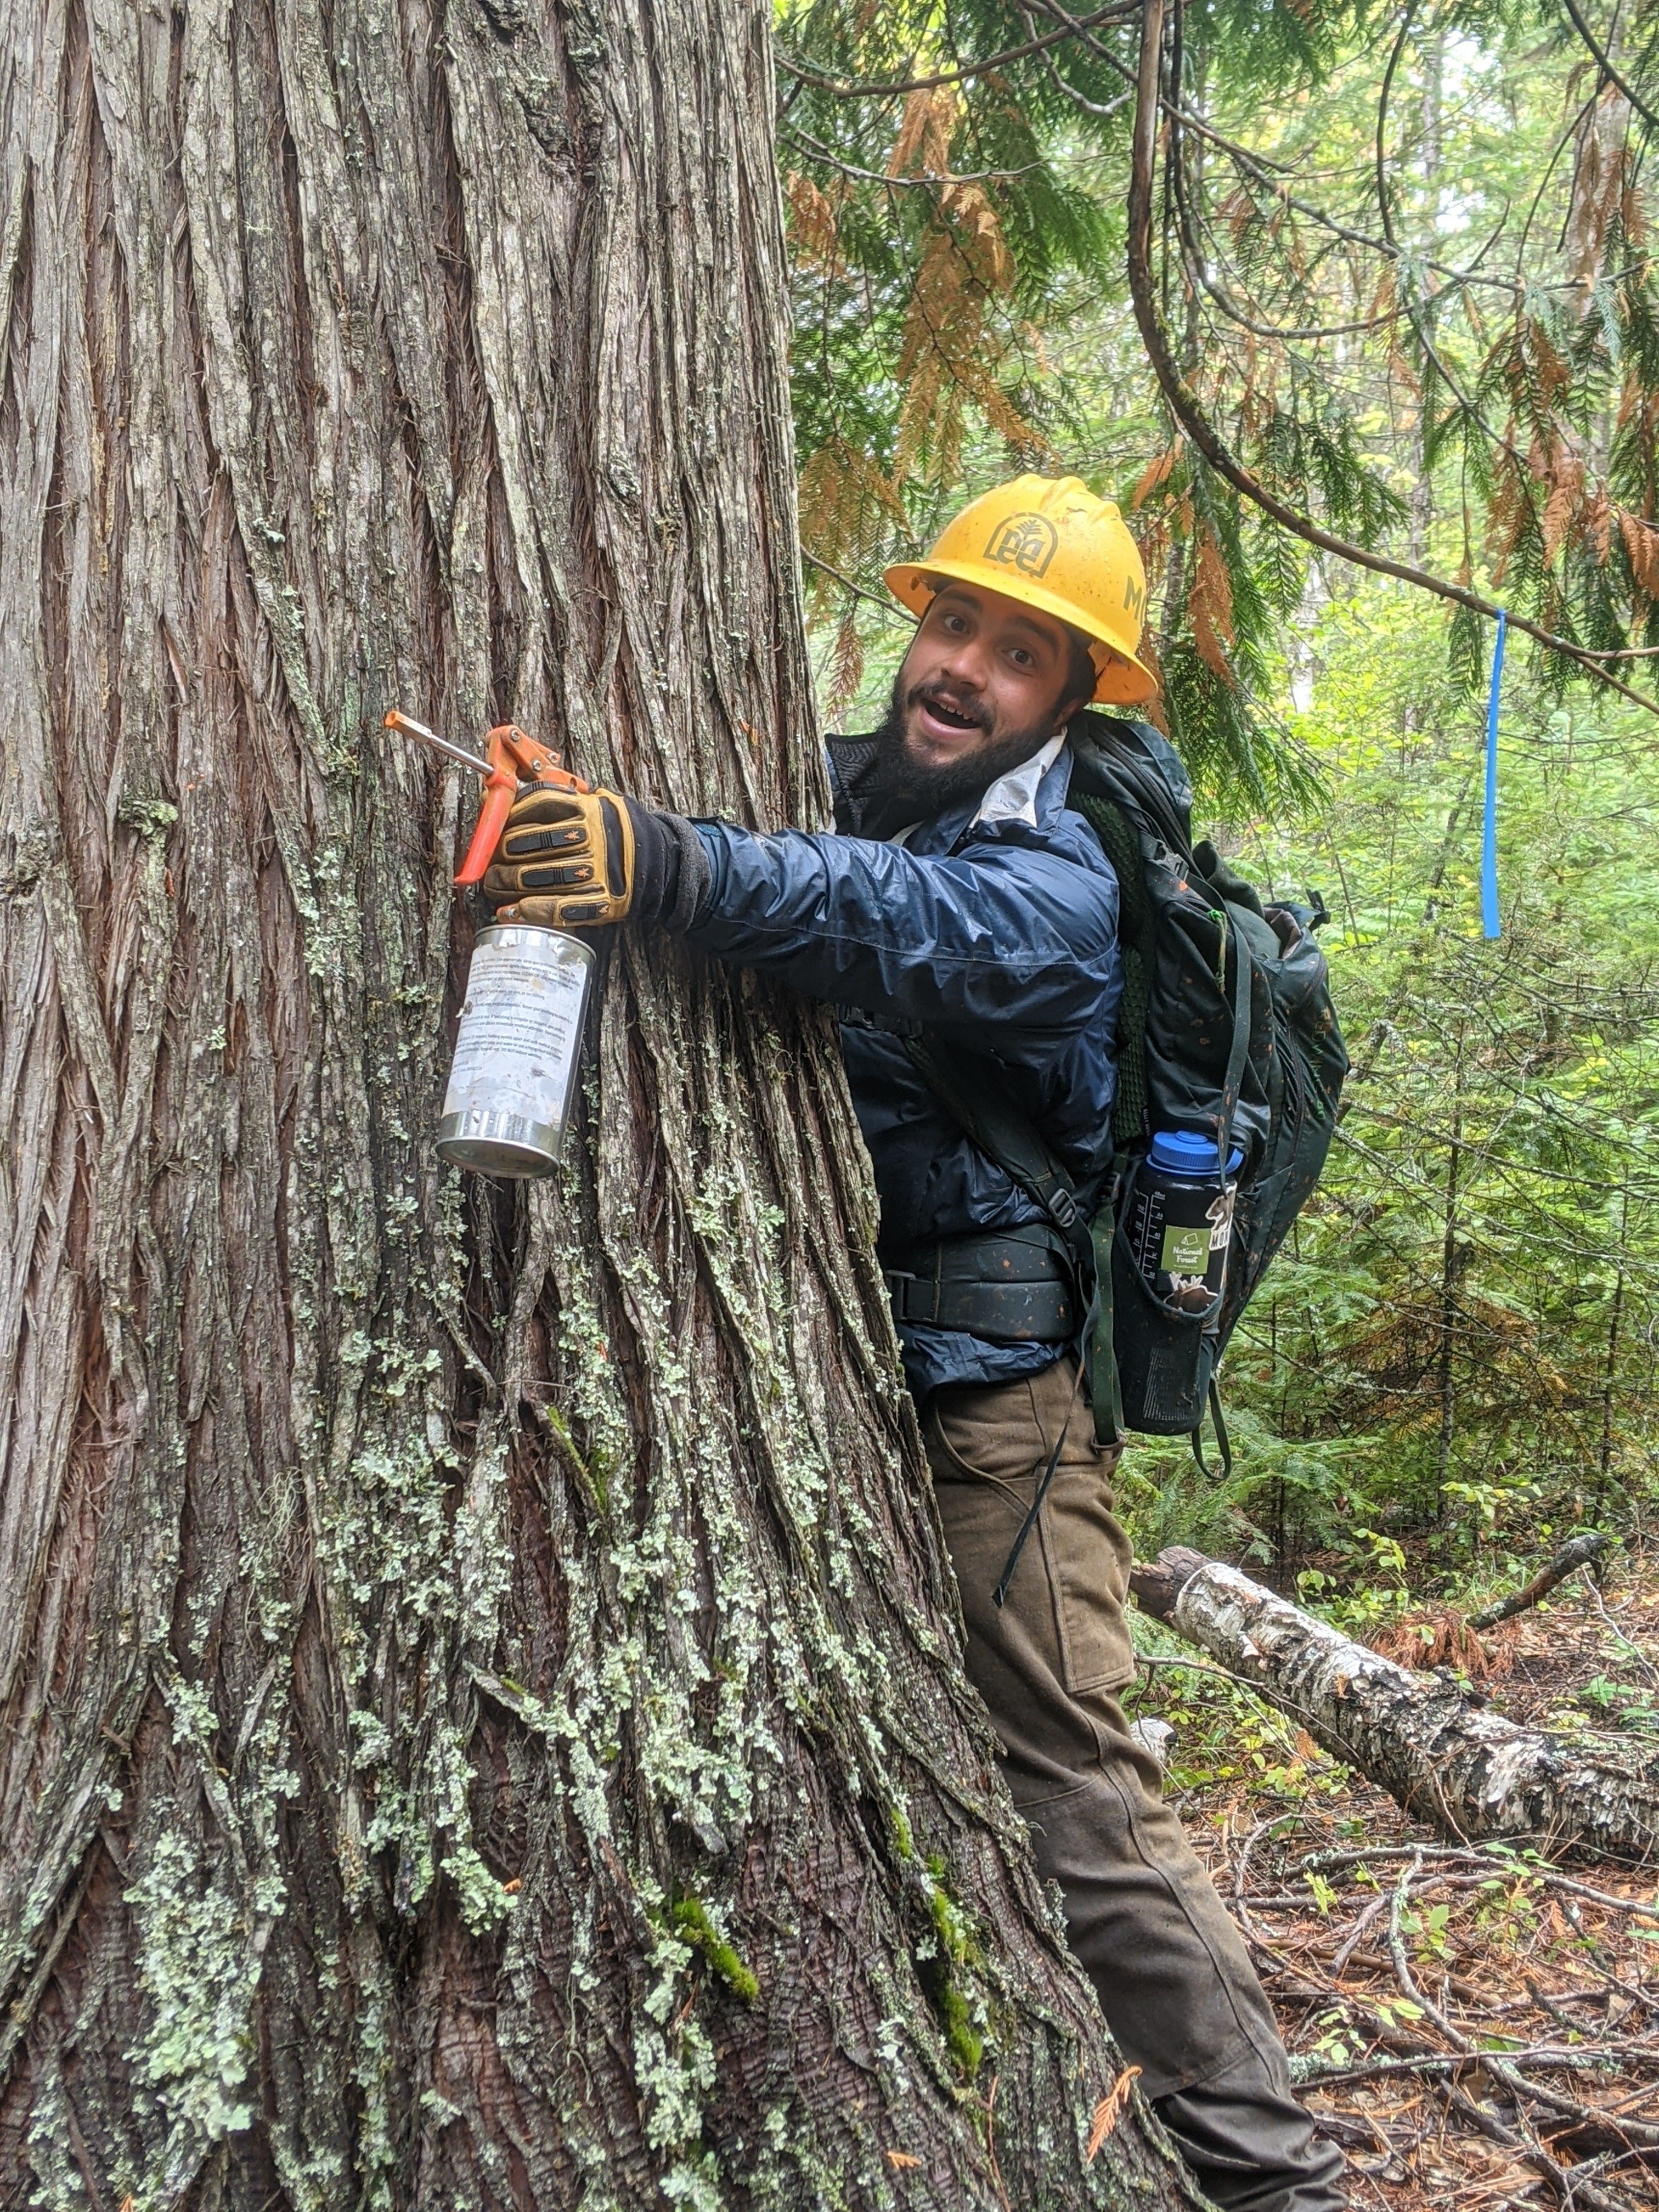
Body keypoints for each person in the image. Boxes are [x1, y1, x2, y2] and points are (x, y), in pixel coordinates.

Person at [484, 475, 1345, 2212]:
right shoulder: (853, 782)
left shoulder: (1063, 869)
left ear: (1075, 692)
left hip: (1001, 1414)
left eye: (1019, 652)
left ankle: (1277, 2177)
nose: (961, 667)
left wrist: (669, 862)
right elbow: (831, 867)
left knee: (1074, 1781)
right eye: (952, 622)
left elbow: (907, 926)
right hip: (854, 1384)